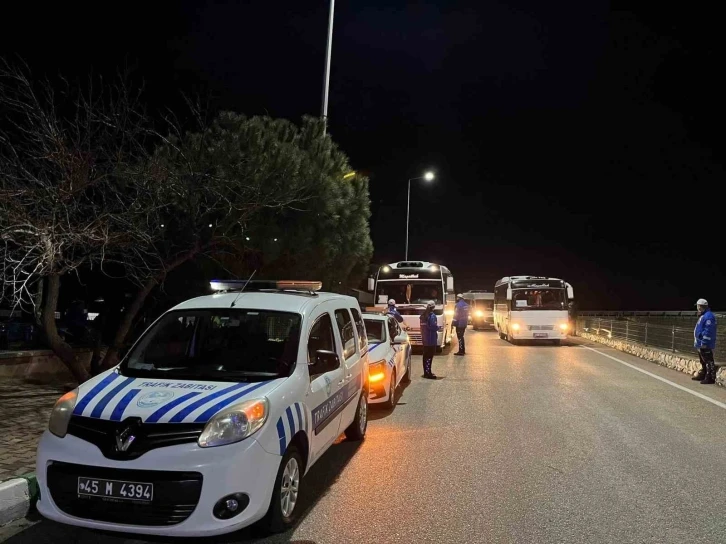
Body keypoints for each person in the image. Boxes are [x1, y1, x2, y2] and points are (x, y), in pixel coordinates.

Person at [693, 298, 717, 384]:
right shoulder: (704, 315)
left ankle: (710, 378)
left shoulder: (708, 316)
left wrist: (704, 342)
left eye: (698, 306)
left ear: (700, 307)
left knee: (708, 361)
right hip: (700, 343)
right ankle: (704, 374)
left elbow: (708, 331)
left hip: (704, 343)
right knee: (703, 361)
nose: (697, 308)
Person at [420, 300, 438, 379]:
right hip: (431, 339)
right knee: (429, 357)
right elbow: (432, 327)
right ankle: (428, 373)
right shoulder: (432, 316)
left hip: (425, 339)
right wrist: (438, 327)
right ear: (433, 307)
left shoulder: (423, 316)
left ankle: (426, 372)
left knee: (425, 356)